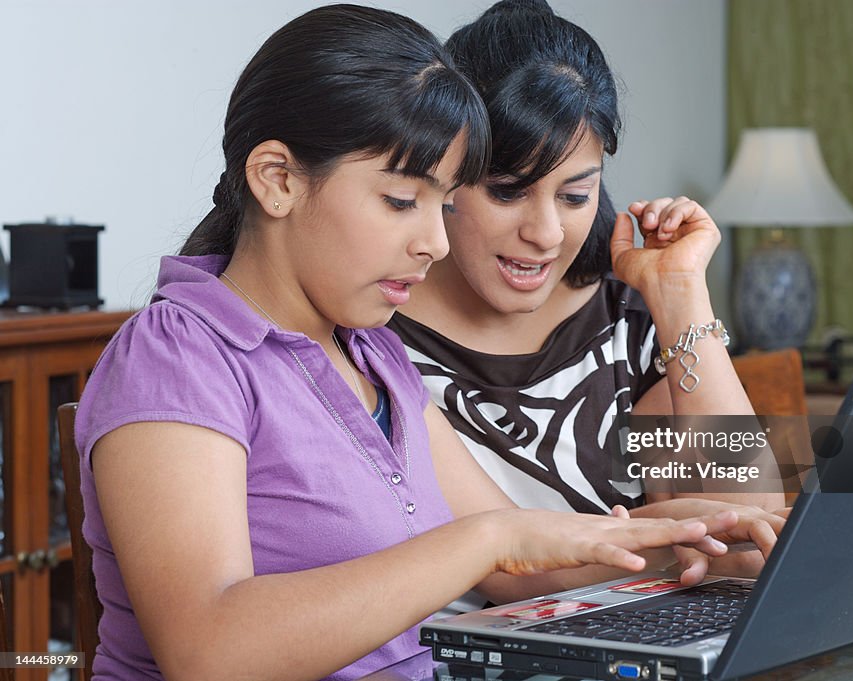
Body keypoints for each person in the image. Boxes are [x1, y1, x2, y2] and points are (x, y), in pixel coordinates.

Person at [75, 5, 757, 680]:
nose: (433, 240)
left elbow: (523, 558)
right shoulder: (179, 355)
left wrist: (686, 526)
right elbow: (210, 650)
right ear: (277, 180)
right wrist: (494, 538)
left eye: (575, 194)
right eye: (404, 202)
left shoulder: (371, 352)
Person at [388, 0, 786, 575]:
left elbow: (754, 529)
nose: (545, 233)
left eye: (576, 196)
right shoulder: (377, 329)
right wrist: (671, 541)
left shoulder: (625, 322)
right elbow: (509, 575)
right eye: (507, 191)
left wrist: (679, 296)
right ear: (445, 176)